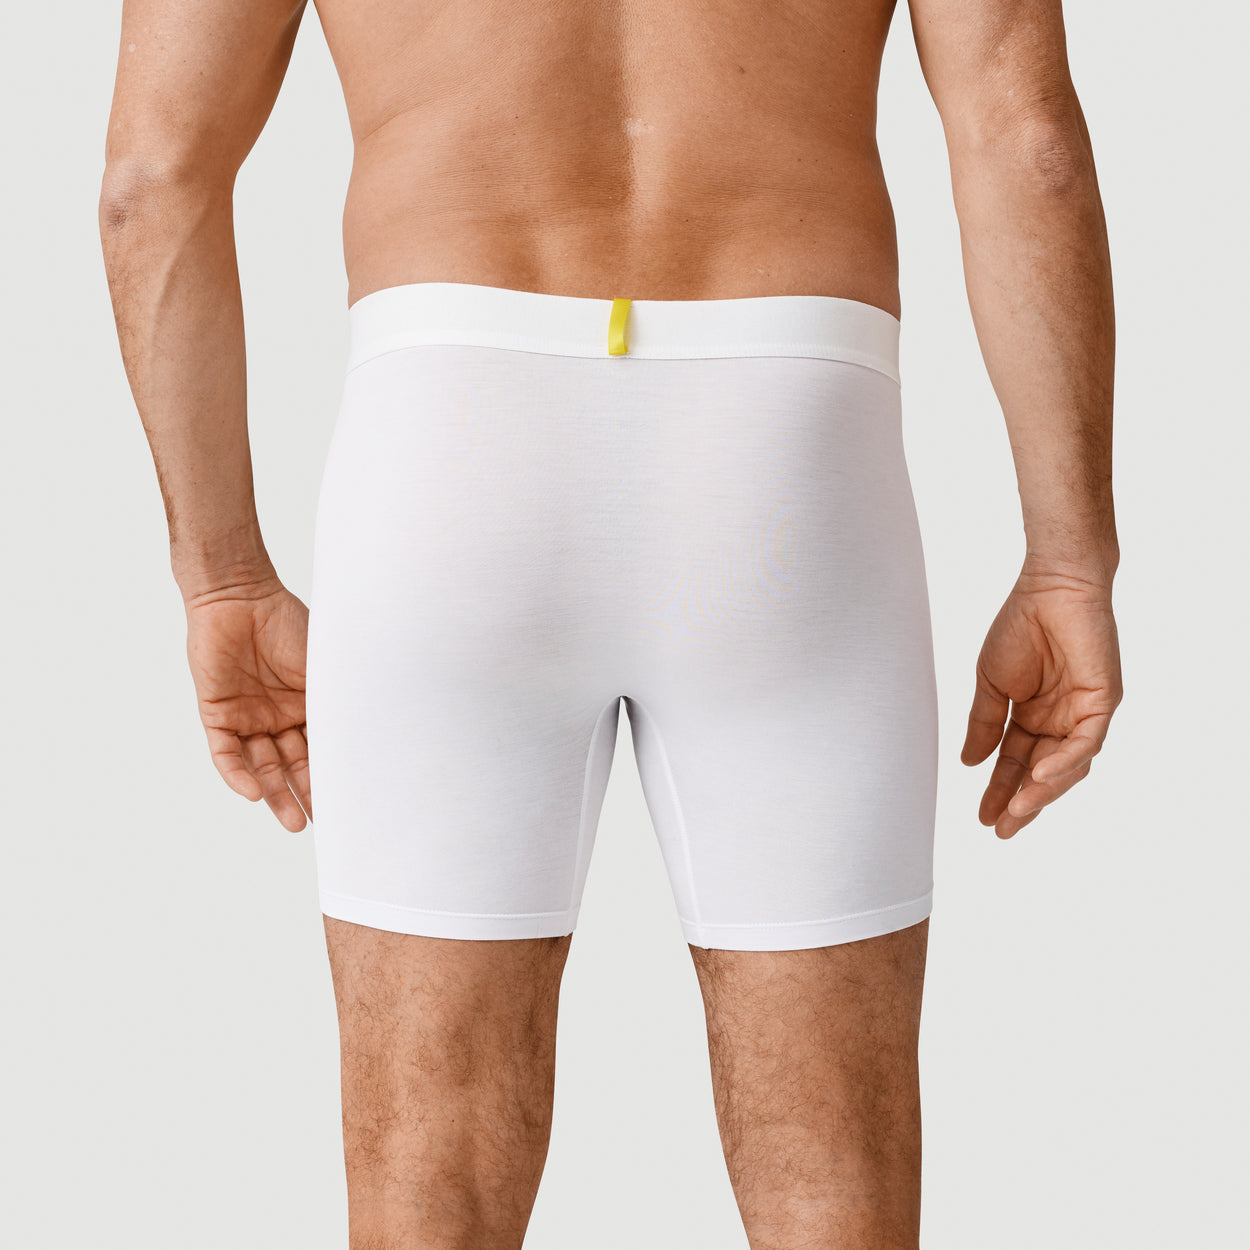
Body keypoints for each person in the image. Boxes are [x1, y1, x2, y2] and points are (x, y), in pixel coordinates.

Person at [98, 0, 1123, 1244]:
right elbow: (1028, 145)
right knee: (833, 1177)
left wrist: (220, 576)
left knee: (428, 1181)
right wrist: (1069, 559)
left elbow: (149, 184)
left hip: (446, 435)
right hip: (787, 447)